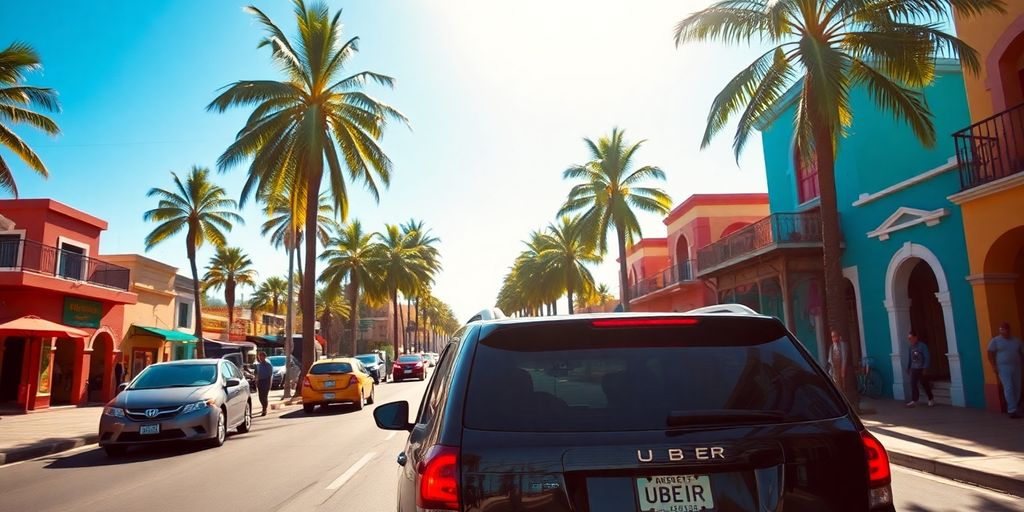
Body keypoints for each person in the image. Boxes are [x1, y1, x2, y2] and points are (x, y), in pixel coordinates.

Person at [987, 322, 1023, 419]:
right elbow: (990, 353)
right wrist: (993, 366)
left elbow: (1021, 352)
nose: (1004, 331)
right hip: (1003, 367)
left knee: (1017, 387)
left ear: (1009, 330)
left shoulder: (1016, 340)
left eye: (1005, 329)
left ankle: (1015, 406)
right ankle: (1012, 409)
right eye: (1002, 329)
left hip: (1016, 366)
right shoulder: (995, 341)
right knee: (1009, 387)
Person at [906, 331, 934, 407]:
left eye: (911, 338)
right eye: (909, 339)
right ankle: (915, 400)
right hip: (914, 368)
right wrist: (908, 367)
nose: (910, 340)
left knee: (924, 384)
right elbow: (910, 358)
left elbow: (927, 357)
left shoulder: (922, 346)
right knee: (913, 384)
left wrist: (925, 368)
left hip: (921, 368)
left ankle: (930, 398)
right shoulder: (910, 347)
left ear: (915, 338)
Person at [254, 351, 274, 416]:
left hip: (266, 382)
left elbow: (270, 375)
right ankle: (263, 406)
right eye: (259, 356)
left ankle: (264, 410)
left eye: (262, 356)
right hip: (260, 382)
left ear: (265, 357)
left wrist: (270, 384)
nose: (260, 358)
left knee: (264, 396)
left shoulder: (268, 365)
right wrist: (256, 382)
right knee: (260, 397)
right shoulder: (258, 365)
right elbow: (256, 374)